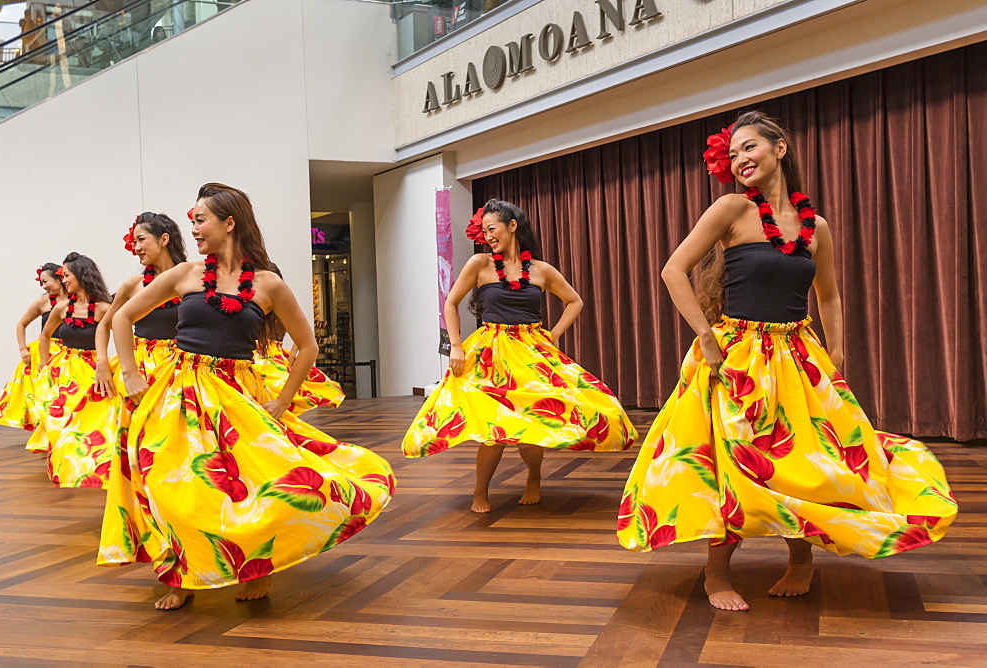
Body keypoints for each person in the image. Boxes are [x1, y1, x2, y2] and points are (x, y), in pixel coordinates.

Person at [617, 111, 957, 611]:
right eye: (731, 154)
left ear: (779, 148)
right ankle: (716, 573)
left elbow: (831, 295)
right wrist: (707, 340)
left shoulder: (815, 226)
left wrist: (836, 352)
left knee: (800, 459)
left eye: (748, 148)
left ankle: (801, 559)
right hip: (737, 356)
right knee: (732, 458)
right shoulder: (731, 209)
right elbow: (673, 270)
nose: (739, 160)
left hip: (798, 356)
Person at [98, 183, 395, 611]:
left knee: (259, 484)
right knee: (170, 485)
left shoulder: (269, 284)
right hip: (177, 391)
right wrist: (127, 371)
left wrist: (282, 401)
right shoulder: (184, 275)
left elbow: (307, 346)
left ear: (229, 223)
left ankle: (259, 564)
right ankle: (181, 574)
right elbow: (123, 316)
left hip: (237, 393)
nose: (194, 229)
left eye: (201, 220)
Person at [402, 198, 637, 513]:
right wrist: (455, 345)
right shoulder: (480, 265)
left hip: (530, 351)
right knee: (493, 431)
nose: (488, 236)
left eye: (492, 228)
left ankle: (534, 478)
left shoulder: (541, 270)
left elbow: (575, 301)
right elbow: (450, 303)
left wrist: (553, 335)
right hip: (490, 352)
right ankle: (480, 492)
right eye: (484, 231)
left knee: (532, 426)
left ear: (512, 226)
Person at [27, 253, 116, 488]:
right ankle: (66, 470)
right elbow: (45, 336)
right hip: (64, 374)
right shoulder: (62, 308)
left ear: (81, 275)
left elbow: (125, 331)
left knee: (91, 429)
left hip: (92, 373)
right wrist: (44, 365)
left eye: (66, 275)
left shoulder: (103, 309)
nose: (63, 280)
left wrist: (107, 364)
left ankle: (93, 473)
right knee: (59, 426)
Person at [94, 212, 187, 399]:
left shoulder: (191, 280)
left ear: (164, 239)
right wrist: (102, 361)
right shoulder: (133, 285)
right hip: (139, 368)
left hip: (181, 367)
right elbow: (104, 324)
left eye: (141, 240)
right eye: (134, 242)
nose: (136, 248)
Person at [251, 263, 345, 415]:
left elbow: (304, 338)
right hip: (263, 356)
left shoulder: (276, 304)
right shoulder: (261, 304)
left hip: (269, 356)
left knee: (274, 389)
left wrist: (293, 353)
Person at [0, 263, 67, 431]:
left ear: (59, 278)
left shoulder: (74, 301)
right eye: (42, 283)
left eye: (46, 281)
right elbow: (21, 325)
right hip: (43, 352)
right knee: (44, 393)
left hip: (66, 353)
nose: (44, 286)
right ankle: (45, 432)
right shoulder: (42, 303)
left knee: (63, 393)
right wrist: (22, 349)